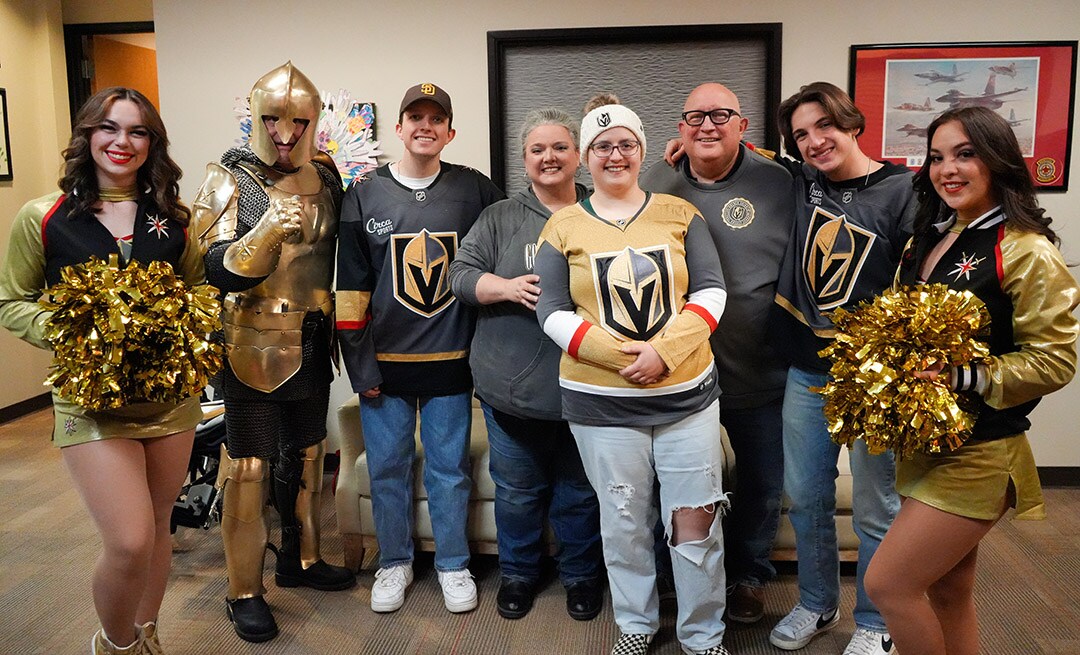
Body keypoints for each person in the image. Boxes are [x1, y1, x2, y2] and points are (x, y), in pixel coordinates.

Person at [865, 106, 1079, 655]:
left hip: (978, 455)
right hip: (930, 442)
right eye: (936, 157)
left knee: (888, 585)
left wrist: (965, 376)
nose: (947, 169)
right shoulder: (929, 238)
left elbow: (1056, 360)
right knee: (948, 590)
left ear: (997, 160)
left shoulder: (1025, 249)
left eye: (965, 154)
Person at [0, 87, 202, 655]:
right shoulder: (43, 217)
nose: (122, 142)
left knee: (159, 525)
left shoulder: (174, 219)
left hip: (169, 398)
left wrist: (186, 325)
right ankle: (116, 646)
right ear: (87, 135)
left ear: (152, 143)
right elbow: (11, 300)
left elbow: (195, 290)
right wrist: (75, 330)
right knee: (130, 539)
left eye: (138, 132)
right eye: (109, 128)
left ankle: (147, 634)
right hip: (90, 402)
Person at [534, 94, 732, 655]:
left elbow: (712, 291)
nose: (614, 155)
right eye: (601, 146)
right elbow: (550, 310)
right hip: (600, 405)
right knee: (623, 522)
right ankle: (637, 626)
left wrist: (664, 353)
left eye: (625, 144)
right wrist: (620, 356)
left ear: (641, 151)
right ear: (586, 157)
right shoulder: (563, 226)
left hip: (685, 399)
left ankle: (702, 633)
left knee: (695, 522)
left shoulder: (680, 215)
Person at [190, 62, 355, 643]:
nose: (285, 134)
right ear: (255, 118)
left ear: (315, 121)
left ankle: (301, 558)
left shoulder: (329, 177)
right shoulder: (229, 179)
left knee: (308, 454)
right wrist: (262, 235)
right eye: (272, 120)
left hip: (313, 336)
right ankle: (243, 589)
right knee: (249, 464)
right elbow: (210, 267)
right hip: (250, 340)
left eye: (298, 121)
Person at [336, 82, 503, 615]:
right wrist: (360, 366)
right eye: (416, 117)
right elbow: (350, 290)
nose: (425, 126)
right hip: (384, 364)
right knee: (386, 466)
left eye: (437, 118)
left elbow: (512, 244)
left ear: (450, 132)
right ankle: (394, 562)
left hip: (452, 362)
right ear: (401, 128)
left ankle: (454, 565)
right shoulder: (362, 194)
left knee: (449, 470)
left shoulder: (476, 189)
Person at [642, 82, 793, 624]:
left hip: (760, 367)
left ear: (743, 126)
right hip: (679, 371)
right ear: (679, 129)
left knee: (760, 480)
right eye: (695, 117)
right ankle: (668, 577)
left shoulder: (780, 180)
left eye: (720, 115)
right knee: (672, 483)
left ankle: (748, 577)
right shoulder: (656, 181)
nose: (707, 126)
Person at [769, 82, 912, 655]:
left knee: (878, 508)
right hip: (807, 371)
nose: (813, 142)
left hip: (872, 377)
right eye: (801, 134)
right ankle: (816, 602)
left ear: (852, 124)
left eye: (823, 126)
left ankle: (876, 621)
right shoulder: (802, 181)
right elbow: (745, 153)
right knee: (805, 496)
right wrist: (687, 147)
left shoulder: (905, 190)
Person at [448, 108, 604, 621]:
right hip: (509, 389)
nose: (549, 157)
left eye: (559, 147)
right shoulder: (499, 218)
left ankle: (581, 576)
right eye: (537, 149)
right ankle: (519, 573)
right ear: (524, 160)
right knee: (517, 492)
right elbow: (461, 276)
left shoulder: (604, 212)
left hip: (587, 389)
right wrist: (508, 288)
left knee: (580, 494)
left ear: (578, 155)